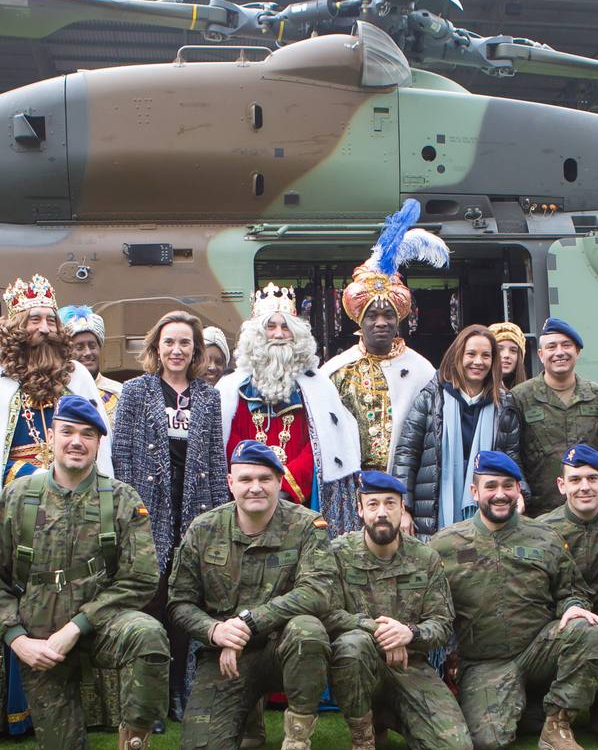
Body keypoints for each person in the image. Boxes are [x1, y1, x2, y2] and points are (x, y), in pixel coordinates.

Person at [0, 274, 109, 740]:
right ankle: (0, 712)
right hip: (4, 509)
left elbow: (99, 451)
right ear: (14, 324)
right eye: (33, 318)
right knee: (5, 595)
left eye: (50, 319)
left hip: (75, 504)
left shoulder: (77, 378)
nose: (44, 327)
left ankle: (77, 707)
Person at [0, 395, 170, 750]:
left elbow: (141, 578)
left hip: (102, 628)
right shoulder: (18, 498)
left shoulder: (121, 499)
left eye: (88, 434)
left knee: (149, 635)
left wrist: (79, 625)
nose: (76, 442)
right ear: (51, 437)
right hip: (40, 640)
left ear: (98, 443)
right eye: (67, 432)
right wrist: (17, 638)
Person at [169, 440, 334, 750]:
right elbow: (179, 603)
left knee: (308, 630)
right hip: (227, 657)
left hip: (282, 649)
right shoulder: (203, 529)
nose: (255, 487)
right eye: (245, 479)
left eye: (265, 478)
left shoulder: (307, 526)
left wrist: (246, 623)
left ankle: (297, 743)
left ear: (278, 480)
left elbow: (317, 593)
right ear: (231, 483)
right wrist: (215, 632)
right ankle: (248, 712)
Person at [430, 451, 598, 750]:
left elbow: (573, 589)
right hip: (486, 663)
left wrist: (574, 605)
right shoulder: (445, 544)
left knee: (586, 629)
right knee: (488, 742)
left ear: (518, 490)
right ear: (475, 492)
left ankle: (558, 723)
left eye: (508, 486)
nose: (500, 494)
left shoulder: (544, 537)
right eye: (491, 486)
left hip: (539, 649)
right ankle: (531, 708)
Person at [308, 470, 471, 750]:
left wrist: (410, 633)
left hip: (409, 667)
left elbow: (443, 623)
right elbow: (326, 613)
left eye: (390, 504)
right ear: (360, 508)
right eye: (373, 504)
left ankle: (389, 714)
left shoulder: (425, 558)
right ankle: (362, 740)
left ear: (402, 509)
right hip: (357, 662)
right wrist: (379, 631)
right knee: (351, 645)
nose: (381, 512)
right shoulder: (339, 554)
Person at [112, 311, 229, 721]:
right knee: (151, 606)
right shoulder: (135, 392)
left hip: (194, 513)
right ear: (156, 348)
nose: (177, 350)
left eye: (185, 343)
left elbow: (215, 460)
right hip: (150, 514)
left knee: (185, 608)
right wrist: (130, 513)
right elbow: (121, 456)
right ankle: (152, 700)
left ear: (195, 350)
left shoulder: (209, 397)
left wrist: (216, 519)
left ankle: (182, 693)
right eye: (169, 342)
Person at [216, 284, 364, 533]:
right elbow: (228, 441)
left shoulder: (318, 386)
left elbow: (321, 448)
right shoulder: (229, 387)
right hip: (244, 499)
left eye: (285, 327)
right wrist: (255, 483)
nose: (278, 334)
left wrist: (284, 485)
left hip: (301, 503)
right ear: (256, 335)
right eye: (270, 327)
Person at [324, 201, 444, 474]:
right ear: (359, 321)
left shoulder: (422, 371)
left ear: (399, 319)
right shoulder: (336, 371)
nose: (381, 322)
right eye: (372, 316)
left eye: (388, 315)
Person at [390, 325, 524, 537]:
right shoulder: (432, 398)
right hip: (432, 515)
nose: (478, 362)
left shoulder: (504, 405)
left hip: (487, 515)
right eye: (471, 354)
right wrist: (403, 509)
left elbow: (512, 459)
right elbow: (406, 455)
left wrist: (520, 493)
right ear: (457, 355)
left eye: (486, 356)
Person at [514, 318, 598, 516]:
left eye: (566, 345)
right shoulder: (521, 397)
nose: (559, 352)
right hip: (539, 512)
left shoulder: (597, 396)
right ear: (540, 354)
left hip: (590, 510)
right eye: (551, 346)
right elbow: (513, 452)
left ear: (577, 352)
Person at [533, 444, 598, 612]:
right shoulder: (542, 530)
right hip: (567, 623)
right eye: (575, 480)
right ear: (562, 485)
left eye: (592, 478)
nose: (585, 487)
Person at [61, 305, 125, 428]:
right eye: (79, 347)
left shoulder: (119, 393)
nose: (88, 353)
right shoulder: (58, 393)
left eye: (92, 346)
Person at [489, 321, 527, 390]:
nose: (506, 355)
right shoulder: (476, 394)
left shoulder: (529, 392)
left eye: (513, 350)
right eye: (499, 349)